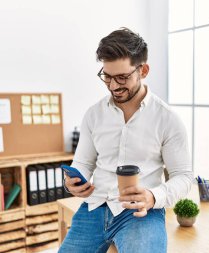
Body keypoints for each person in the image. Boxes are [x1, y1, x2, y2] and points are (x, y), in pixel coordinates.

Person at [59, 28, 193, 253]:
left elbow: (184, 176)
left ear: (144, 70)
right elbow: (83, 162)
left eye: (122, 77)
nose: (113, 86)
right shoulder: (94, 114)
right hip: (95, 206)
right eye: (107, 76)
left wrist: (153, 196)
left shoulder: (167, 119)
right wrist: (73, 179)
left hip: (141, 212)